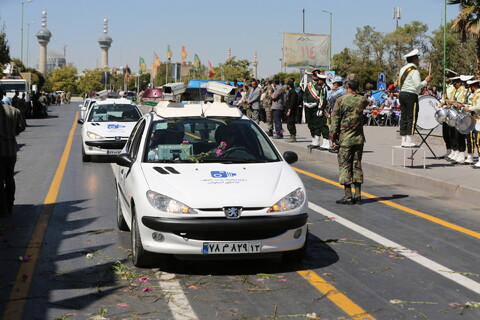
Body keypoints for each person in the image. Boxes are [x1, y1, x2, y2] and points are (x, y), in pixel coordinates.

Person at [328, 74, 368, 205]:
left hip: (345, 140)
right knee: (357, 166)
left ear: (347, 86)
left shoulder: (341, 100)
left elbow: (335, 121)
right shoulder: (362, 100)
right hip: (358, 139)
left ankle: (348, 195)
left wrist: (332, 138)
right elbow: (364, 99)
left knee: (345, 166)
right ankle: (358, 195)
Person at [398, 49, 431, 147]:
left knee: (403, 117)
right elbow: (417, 85)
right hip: (411, 95)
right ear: (413, 59)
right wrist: (426, 81)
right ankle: (409, 139)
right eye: (417, 58)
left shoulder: (402, 69)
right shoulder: (414, 71)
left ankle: (403, 139)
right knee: (412, 117)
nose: (418, 60)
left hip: (402, 93)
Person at [0, 90, 26, 215]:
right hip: (11, 149)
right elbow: (22, 126)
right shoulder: (14, 111)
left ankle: (3, 208)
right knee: (9, 178)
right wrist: (12, 133)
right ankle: (10, 204)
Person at [303, 70, 329, 149]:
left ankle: (326, 143)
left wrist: (320, 108)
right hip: (311, 108)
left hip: (319, 109)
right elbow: (305, 94)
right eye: (315, 75)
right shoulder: (309, 85)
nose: (317, 79)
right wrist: (306, 103)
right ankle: (315, 141)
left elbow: (323, 99)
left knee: (322, 126)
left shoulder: (324, 88)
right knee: (313, 125)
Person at [462, 79, 480, 167]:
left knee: (478, 140)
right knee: (477, 140)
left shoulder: (478, 94)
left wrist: (470, 108)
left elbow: (479, 106)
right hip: (476, 119)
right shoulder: (476, 94)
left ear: (473, 87)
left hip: (478, 119)